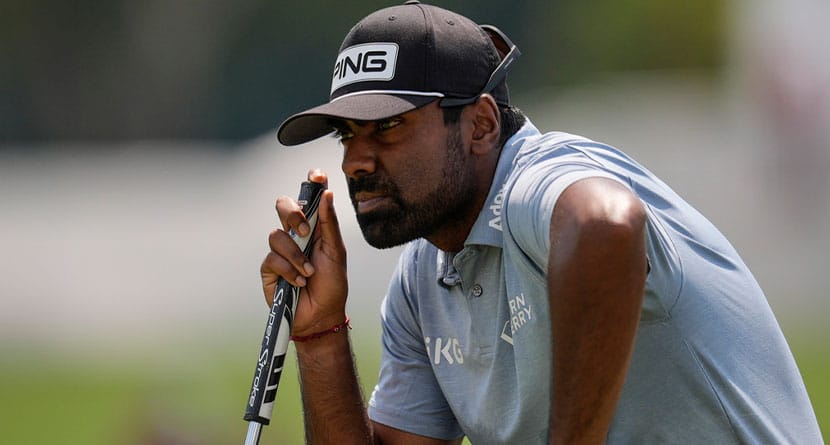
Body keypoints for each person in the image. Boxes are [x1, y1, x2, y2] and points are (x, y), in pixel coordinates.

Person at [261, 2, 823, 443]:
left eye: (388, 127)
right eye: (347, 134)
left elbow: (609, 226)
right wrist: (320, 333)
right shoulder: (423, 279)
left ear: (481, 125)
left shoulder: (535, 183)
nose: (355, 160)